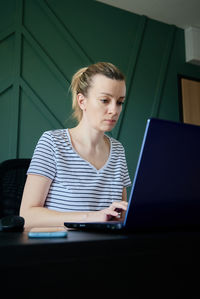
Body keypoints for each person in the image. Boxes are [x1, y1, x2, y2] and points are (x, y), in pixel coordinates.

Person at [20, 62, 131, 228]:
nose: (114, 110)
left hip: (107, 250)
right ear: (82, 101)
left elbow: (121, 215)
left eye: (120, 102)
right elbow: (27, 216)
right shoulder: (52, 142)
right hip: (63, 250)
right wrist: (91, 217)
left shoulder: (118, 150)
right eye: (105, 100)